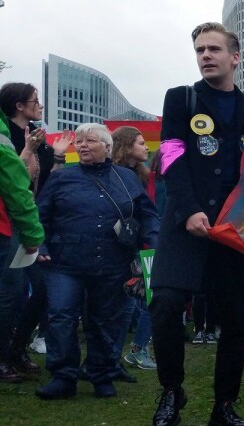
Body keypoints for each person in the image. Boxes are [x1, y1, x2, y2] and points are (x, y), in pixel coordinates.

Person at [149, 21, 244, 426]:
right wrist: (187, 210)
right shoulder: (181, 99)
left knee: (236, 319)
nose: (205, 56)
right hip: (186, 223)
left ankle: (224, 404)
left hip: (234, 230)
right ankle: (171, 391)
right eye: (200, 49)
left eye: (214, 49)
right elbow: (170, 155)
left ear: (235, 57)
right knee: (164, 305)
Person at [34, 124, 159, 400]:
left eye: (90, 140)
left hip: (113, 262)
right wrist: (40, 245)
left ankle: (101, 374)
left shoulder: (127, 178)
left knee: (106, 319)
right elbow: (40, 216)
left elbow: (147, 215)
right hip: (65, 262)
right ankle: (63, 376)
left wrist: (156, 245)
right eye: (79, 141)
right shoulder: (61, 179)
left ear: (107, 147)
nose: (83, 145)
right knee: (61, 316)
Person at [0, 91, 46, 383]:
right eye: (35, 101)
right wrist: (28, 150)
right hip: (12, 225)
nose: (40, 106)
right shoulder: (10, 137)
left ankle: (14, 349)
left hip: (22, 222)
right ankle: (5, 355)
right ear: (19, 105)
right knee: (10, 294)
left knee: (31, 291)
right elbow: (17, 184)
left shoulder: (37, 138)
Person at [110, 126, 157, 371]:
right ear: (126, 146)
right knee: (131, 303)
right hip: (125, 248)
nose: (146, 147)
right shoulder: (112, 175)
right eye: (140, 143)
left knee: (150, 299)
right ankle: (121, 356)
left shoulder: (143, 175)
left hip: (144, 245)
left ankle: (130, 352)